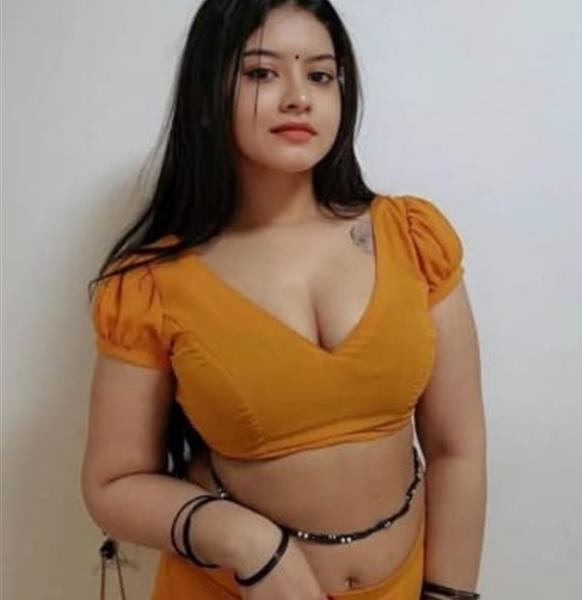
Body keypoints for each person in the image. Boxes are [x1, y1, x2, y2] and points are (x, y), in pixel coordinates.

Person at [80, 1, 487, 599]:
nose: (298, 97)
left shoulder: (413, 238)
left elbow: (458, 449)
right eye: (261, 72)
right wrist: (249, 544)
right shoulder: (150, 285)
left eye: (319, 74)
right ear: (207, 96)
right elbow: (112, 484)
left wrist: (448, 595)